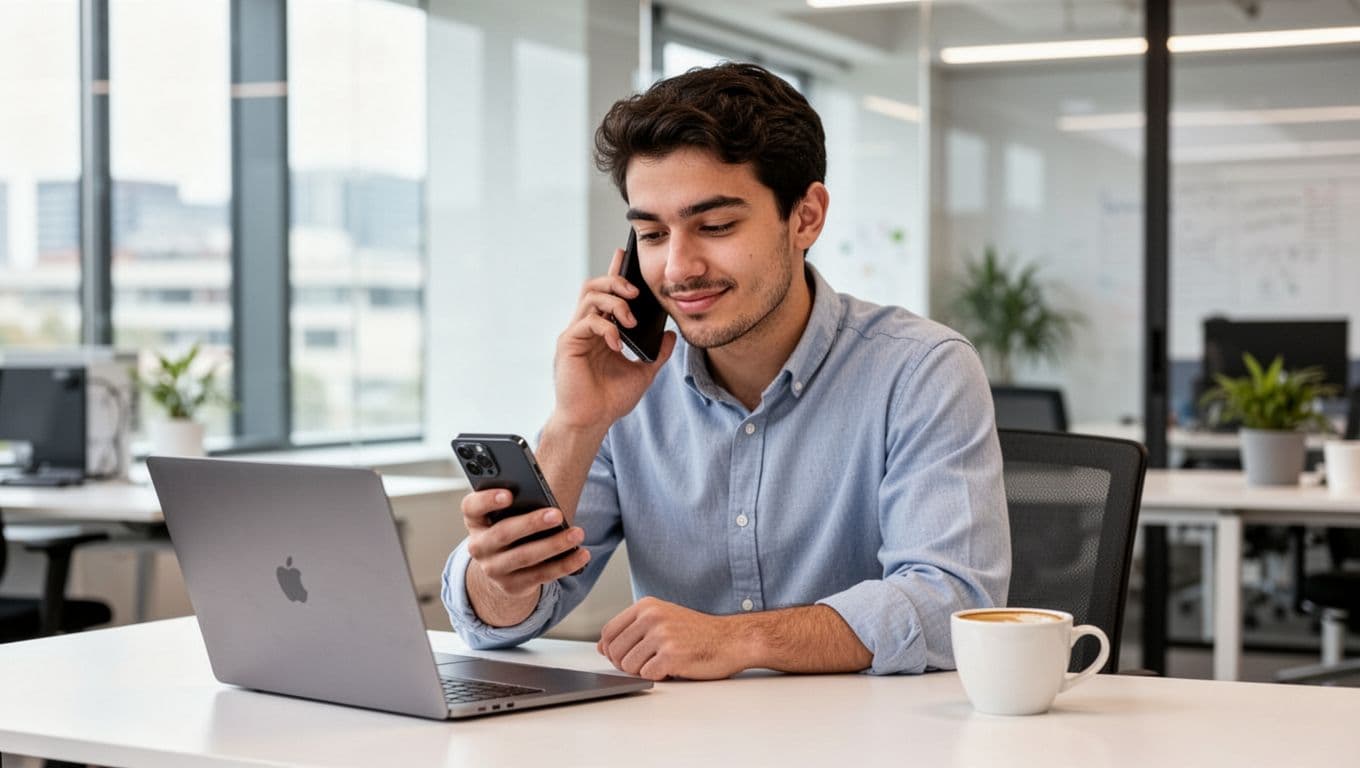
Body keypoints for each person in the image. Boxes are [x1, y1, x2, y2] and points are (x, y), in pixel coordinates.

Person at [442, 62, 1009, 681]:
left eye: (715, 226)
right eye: (653, 234)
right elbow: (502, 620)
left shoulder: (921, 369)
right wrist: (577, 422)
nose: (679, 268)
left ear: (806, 216)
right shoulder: (627, 387)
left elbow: (954, 603)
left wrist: (738, 641)